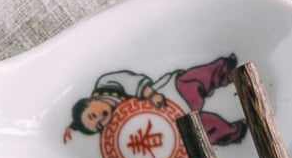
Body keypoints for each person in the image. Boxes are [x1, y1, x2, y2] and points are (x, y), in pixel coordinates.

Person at [63, 54, 246, 147]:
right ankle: (236, 132)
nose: (102, 118)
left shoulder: (105, 84)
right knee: (203, 131)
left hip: (166, 96)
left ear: (90, 100)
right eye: (99, 125)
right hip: (169, 123)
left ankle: (225, 71)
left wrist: (150, 94)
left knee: (192, 81)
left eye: (93, 114)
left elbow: (129, 80)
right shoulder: (115, 128)